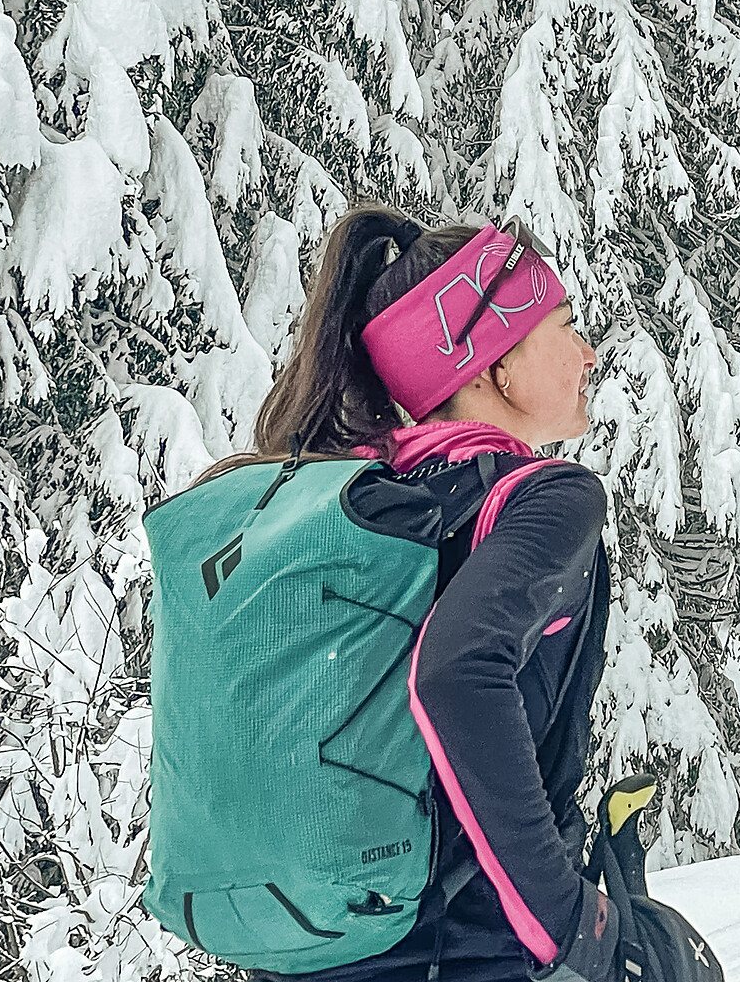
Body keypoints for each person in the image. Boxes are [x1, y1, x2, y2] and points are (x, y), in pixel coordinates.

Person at [192, 206, 620, 982]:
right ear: (494, 367)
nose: (587, 353)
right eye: (564, 327)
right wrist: (571, 928)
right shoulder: (544, 498)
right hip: (471, 956)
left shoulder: (346, 505)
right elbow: (455, 676)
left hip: (316, 953)